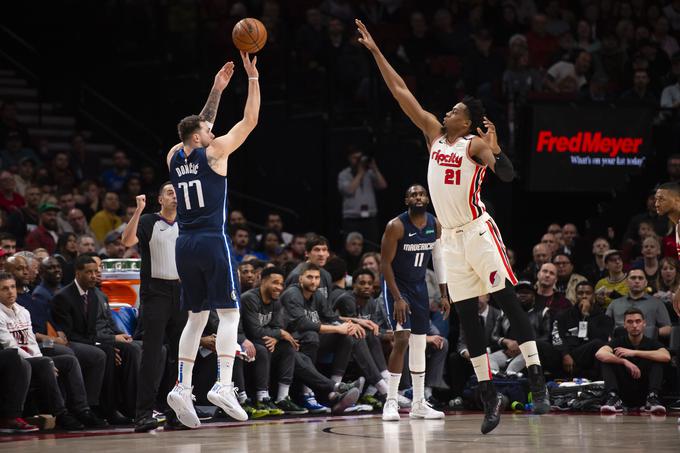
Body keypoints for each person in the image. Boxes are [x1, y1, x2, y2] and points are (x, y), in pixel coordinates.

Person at [357, 19, 550, 435]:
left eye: (455, 111)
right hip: (450, 240)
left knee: (508, 302)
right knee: (468, 318)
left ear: (466, 122)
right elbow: (401, 92)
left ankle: (537, 379)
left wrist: (496, 150)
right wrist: (376, 51)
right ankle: (489, 395)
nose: (447, 112)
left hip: (479, 231)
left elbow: (510, 175)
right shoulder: (434, 135)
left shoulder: (472, 145)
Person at [166, 53, 259, 428]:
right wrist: (252, 79)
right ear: (200, 138)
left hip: (183, 244)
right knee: (230, 314)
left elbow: (199, 123)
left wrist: (217, 89)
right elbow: (249, 121)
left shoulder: (173, 156)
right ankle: (223, 383)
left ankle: (182, 386)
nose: (213, 132)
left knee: (196, 316)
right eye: (208, 131)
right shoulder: (216, 153)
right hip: (210, 240)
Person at [0, 272, 107, 429]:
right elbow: (10, 346)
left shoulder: (23, 311)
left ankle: (82, 410)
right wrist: (42, 361)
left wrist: (41, 359)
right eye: (4, 289)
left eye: (12, 287)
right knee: (44, 361)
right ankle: (61, 414)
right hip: (13, 361)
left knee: (69, 361)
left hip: (33, 358)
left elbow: (31, 342)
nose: (10, 291)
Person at [379, 184, 449, 421]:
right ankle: (390, 401)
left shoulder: (435, 224)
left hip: (420, 288)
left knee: (419, 344)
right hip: (397, 287)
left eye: (421, 193)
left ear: (427, 198)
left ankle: (418, 403)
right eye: (413, 194)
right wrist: (398, 298)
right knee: (401, 339)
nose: (418, 197)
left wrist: (444, 293)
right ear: (406, 200)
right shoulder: (395, 226)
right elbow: (384, 264)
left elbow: (438, 259)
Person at [122, 183, 187, 432]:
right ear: (160, 199)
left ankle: (175, 412)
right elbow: (127, 240)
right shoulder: (150, 220)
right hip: (155, 293)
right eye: (170, 192)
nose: (175, 196)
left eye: (178, 193)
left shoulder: (187, 222)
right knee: (151, 356)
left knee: (179, 358)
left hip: (180, 294)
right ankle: (143, 414)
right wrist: (138, 210)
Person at [240, 267, 307, 415]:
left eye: (281, 284)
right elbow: (254, 331)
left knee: (288, 347)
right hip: (246, 341)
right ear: (262, 281)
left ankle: (283, 397)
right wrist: (280, 333)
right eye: (275, 282)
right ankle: (262, 398)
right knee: (262, 350)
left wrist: (276, 338)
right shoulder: (249, 298)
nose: (279, 287)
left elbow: (277, 326)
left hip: (264, 340)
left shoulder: (275, 301)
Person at [596, 308, 670, 414]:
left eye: (638, 321)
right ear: (625, 325)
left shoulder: (652, 343)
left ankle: (652, 398)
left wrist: (634, 352)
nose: (634, 325)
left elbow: (666, 356)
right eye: (630, 322)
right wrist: (624, 362)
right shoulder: (618, 342)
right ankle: (613, 397)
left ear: (644, 323)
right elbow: (600, 353)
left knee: (658, 359)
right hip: (624, 390)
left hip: (645, 389)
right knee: (606, 360)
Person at [552, 281, 613, 379]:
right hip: (568, 353)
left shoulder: (604, 318)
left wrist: (585, 315)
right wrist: (565, 354)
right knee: (539, 345)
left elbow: (602, 341)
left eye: (588, 293)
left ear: (593, 296)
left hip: (590, 354)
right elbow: (557, 336)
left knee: (598, 344)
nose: (584, 296)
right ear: (576, 295)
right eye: (580, 293)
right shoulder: (563, 315)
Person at [337, 145, 388, 245]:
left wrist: (374, 168)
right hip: (351, 219)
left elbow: (383, 185)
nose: (358, 161)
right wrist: (360, 173)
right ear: (349, 158)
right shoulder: (344, 174)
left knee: (372, 245)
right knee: (352, 246)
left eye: (359, 158)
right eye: (355, 158)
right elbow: (349, 191)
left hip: (370, 218)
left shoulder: (369, 173)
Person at [606, 269, 671, 339]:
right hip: (618, 343)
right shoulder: (615, 303)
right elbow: (604, 326)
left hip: (646, 344)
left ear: (646, 283)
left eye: (640, 278)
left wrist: (651, 332)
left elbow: (668, 329)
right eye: (633, 278)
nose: (637, 281)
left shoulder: (657, 303)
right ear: (626, 282)